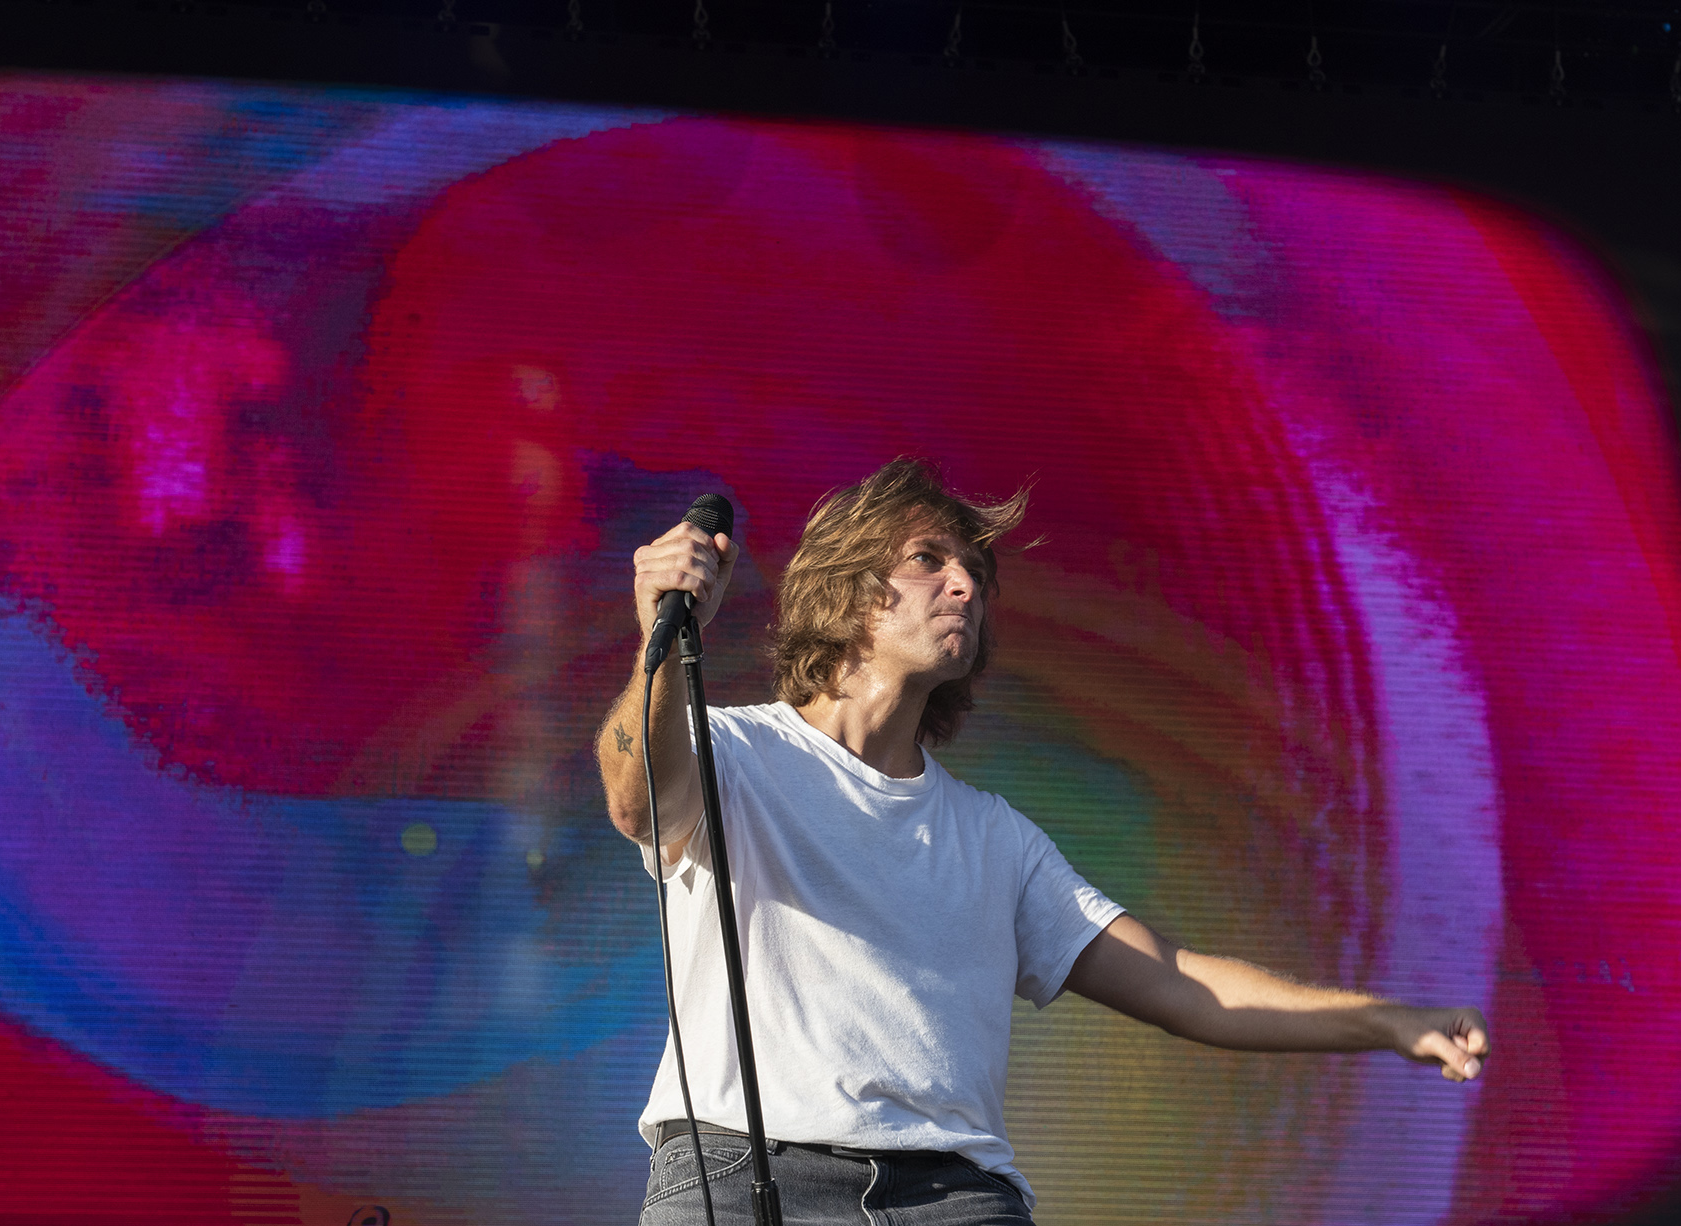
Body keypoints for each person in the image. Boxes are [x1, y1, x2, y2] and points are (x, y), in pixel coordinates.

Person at [595, 458, 1490, 1226]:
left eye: (976, 574)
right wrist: (661, 639)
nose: (966, 585)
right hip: (743, 1177)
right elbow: (637, 800)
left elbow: (1181, 984)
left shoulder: (996, 839)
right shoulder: (737, 753)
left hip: (956, 1198)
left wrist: (1386, 1022)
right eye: (930, 561)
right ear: (851, 590)